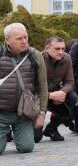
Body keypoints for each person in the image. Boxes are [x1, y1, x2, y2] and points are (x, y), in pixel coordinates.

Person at [0, 24, 48, 154]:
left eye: (25, 37)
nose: (24, 41)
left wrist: (41, 114)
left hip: (24, 113)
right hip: (2, 113)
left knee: (26, 148)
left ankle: (15, 133)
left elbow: (42, 86)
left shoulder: (35, 56)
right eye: (19, 38)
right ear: (7, 40)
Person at [38, 36, 77, 142]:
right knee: (35, 138)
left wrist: (61, 92)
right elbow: (31, 88)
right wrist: (50, 95)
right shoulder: (37, 60)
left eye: (63, 49)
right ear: (47, 48)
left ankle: (52, 127)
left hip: (57, 97)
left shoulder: (67, 58)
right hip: (39, 99)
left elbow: (70, 82)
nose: (61, 52)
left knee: (73, 97)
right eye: (57, 49)